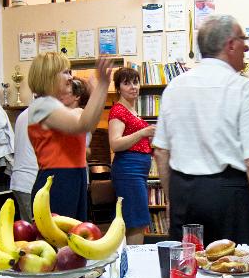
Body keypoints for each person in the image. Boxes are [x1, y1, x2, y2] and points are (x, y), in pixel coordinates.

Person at [152, 14, 249, 252]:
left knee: (188, 269)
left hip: (183, 193)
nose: (247, 47)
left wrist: (173, 199)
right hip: (228, 196)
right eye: (243, 39)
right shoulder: (244, 89)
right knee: (236, 268)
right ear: (230, 45)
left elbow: (161, 152)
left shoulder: (174, 88)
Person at [27, 52, 112, 221]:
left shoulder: (56, 106)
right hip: (58, 181)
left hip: (73, 179)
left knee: (76, 234)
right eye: (65, 72)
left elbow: (90, 124)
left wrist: (102, 86)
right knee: (61, 236)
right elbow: (83, 124)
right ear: (49, 75)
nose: (70, 77)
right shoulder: (42, 104)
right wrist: (101, 85)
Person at [10, 76, 93, 221]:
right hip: (41, 181)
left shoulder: (28, 112)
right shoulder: (58, 115)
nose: (62, 94)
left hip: (22, 180)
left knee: (32, 231)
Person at [108, 67, 155, 245]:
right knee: (136, 220)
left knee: (135, 219)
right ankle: (133, 259)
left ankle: (129, 258)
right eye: (126, 83)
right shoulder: (118, 110)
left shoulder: (132, 111)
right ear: (118, 88)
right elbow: (115, 143)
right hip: (129, 171)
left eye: (135, 82)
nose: (133, 87)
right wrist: (143, 132)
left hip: (136, 172)